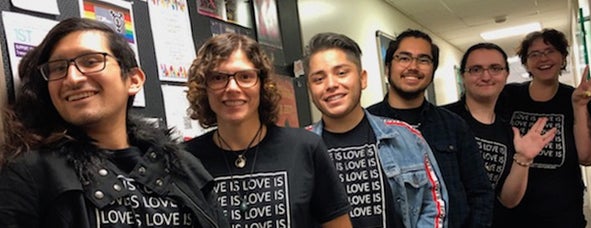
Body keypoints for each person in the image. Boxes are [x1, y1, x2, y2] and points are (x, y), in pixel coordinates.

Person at [0, 18, 227, 227]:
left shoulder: (184, 167)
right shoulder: (32, 176)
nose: (72, 78)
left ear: (134, 80)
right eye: (59, 68)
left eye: (90, 61)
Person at [184, 33, 352, 228]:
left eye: (245, 76)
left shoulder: (305, 148)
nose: (232, 88)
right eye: (218, 78)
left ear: (263, 84)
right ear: (205, 88)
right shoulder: (186, 160)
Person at [303, 32, 447, 228]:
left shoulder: (406, 137)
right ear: (310, 89)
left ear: (362, 79)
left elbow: (434, 206)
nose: (331, 85)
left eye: (341, 73)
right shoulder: (299, 148)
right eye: (318, 79)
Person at [367, 29, 494, 228]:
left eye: (424, 60)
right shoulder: (368, 126)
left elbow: (481, 193)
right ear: (387, 67)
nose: (413, 67)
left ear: (433, 71)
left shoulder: (454, 125)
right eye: (404, 58)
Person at [442, 43, 557, 225]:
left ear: (506, 74)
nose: (486, 76)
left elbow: (508, 200)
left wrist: (524, 158)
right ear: (463, 76)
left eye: (495, 68)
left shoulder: (509, 132)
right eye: (476, 69)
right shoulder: (441, 120)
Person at [495, 28, 591, 227]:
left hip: (563, 215)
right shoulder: (509, 96)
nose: (543, 58)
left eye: (550, 51)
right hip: (512, 214)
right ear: (525, 62)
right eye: (534, 54)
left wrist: (579, 106)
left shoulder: (575, 97)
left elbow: (587, 157)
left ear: (563, 57)